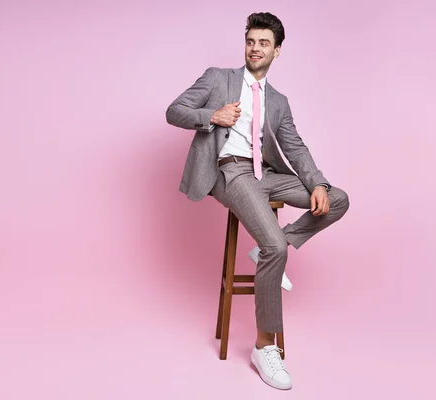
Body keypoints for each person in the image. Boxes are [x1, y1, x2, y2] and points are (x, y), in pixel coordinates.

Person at [166, 12, 349, 390]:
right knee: (272, 246)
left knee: (337, 198)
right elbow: (174, 111)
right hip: (231, 173)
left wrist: (316, 183)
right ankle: (265, 347)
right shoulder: (219, 78)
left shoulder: (278, 100)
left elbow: (294, 147)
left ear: (276, 51)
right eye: (251, 41)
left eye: (263, 43)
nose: (255, 48)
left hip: (266, 176)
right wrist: (211, 115)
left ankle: (276, 246)